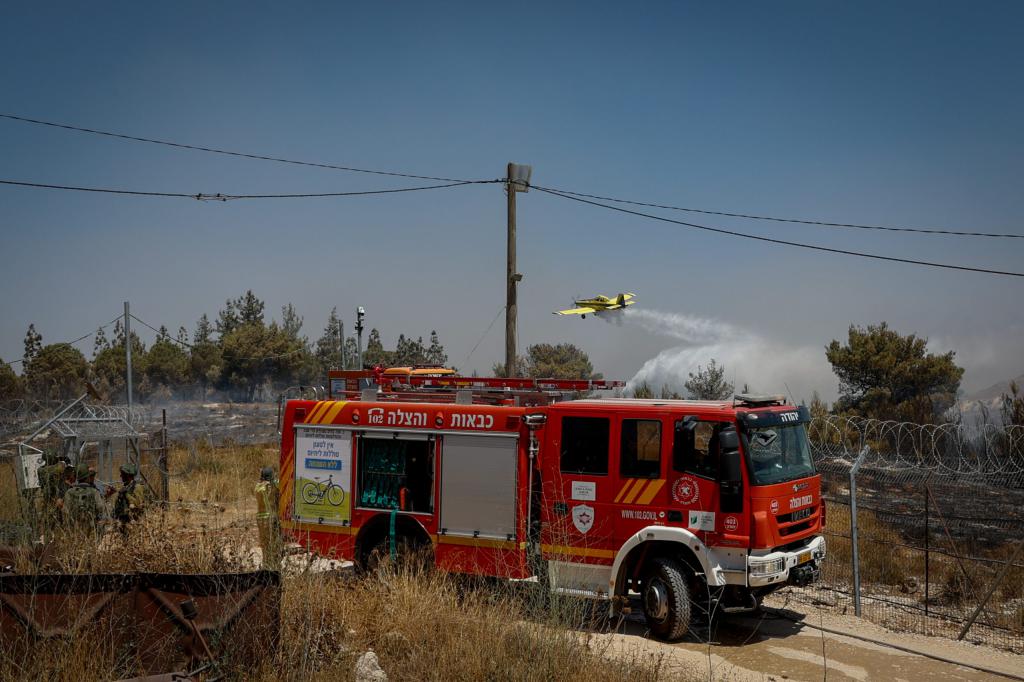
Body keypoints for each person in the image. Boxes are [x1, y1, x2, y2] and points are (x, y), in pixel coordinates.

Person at [62, 463, 107, 535]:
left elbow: (65, 511)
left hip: (75, 530)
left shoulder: (69, 492)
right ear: (87, 477)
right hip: (92, 529)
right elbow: (100, 508)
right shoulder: (94, 492)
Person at [254, 466, 281, 570]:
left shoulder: (258, 487)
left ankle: (266, 567)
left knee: (264, 546)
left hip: (260, 519)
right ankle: (273, 568)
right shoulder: (271, 485)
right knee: (273, 546)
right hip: (270, 518)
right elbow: (281, 483)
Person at [108, 462, 146, 534]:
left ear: (127, 475)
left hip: (133, 523)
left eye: (122, 474)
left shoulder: (137, 487)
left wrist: (126, 494)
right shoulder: (126, 487)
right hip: (122, 523)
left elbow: (139, 504)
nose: (120, 476)